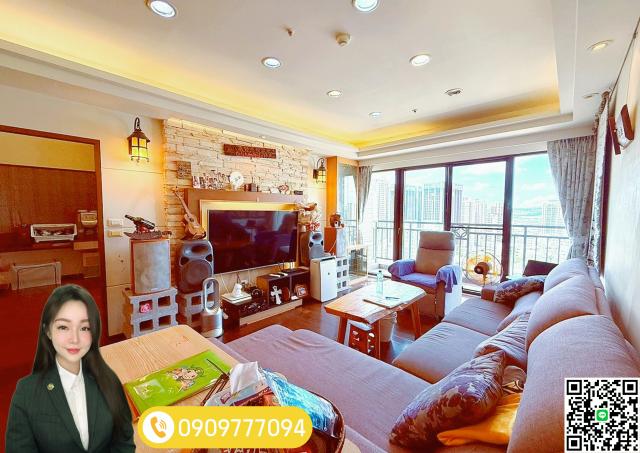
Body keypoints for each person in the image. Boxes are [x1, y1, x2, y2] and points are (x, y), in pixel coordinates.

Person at [6, 284, 135, 452]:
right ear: (48, 331)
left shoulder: (108, 381)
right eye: (63, 327)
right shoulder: (26, 392)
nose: (74, 339)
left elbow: (124, 441)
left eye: (84, 328)